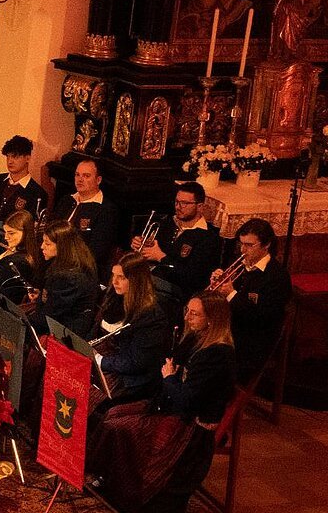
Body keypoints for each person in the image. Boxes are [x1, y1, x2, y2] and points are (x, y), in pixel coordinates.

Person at [90, 292, 236, 513]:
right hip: (169, 406)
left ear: (212, 320)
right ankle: (108, 478)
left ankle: (126, 491)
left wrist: (169, 378)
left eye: (194, 314)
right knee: (113, 413)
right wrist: (169, 376)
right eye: (187, 310)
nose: (187, 317)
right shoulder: (195, 337)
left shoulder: (218, 354)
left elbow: (186, 400)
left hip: (190, 427)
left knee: (117, 426)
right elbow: (173, 366)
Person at [93, 253, 174, 403]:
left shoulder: (151, 316)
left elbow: (137, 363)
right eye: (113, 275)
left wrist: (101, 360)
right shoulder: (114, 298)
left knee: (87, 393)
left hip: (130, 378)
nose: (114, 281)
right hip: (110, 360)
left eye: (121, 277)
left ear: (136, 281)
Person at [219, 218, 292, 383]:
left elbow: (262, 317)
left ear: (266, 245)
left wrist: (231, 293)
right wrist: (218, 287)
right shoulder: (239, 266)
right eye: (241, 244)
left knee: (208, 361)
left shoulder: (277, 277)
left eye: (249, 245)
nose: (243, 251)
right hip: (230, 332)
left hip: (251, 343)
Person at [135, 183, 222, 308]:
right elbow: (152, 247)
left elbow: (192, 277)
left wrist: (161, 257)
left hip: (179, 290)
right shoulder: (169, 223)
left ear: (200, 206)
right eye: (176, 202)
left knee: (135, 283)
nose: (178, 207)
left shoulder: (208, 238)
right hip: (156, 277)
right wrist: (141, 244)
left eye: (185, 203)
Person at [51, 159, 123, 268]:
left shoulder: (106, 210)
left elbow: (96, 252)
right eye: (77, 175)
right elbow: (51, 231)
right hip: (53, 258)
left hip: (81, 267)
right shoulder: (66, 201)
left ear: (98, 180)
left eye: (86, 176)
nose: (80, 180)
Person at [35, 220, 103, 336]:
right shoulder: (73, 263)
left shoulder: (69, 277)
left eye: (47, 243)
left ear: (62, 246)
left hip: (64, 333)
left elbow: (50, 316)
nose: (42, 247)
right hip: (57, 323)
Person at [0, 135, 48, 219]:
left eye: (15, 157)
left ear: (27, 158)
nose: (10, 161)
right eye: (8, 156)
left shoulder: (37, 193)